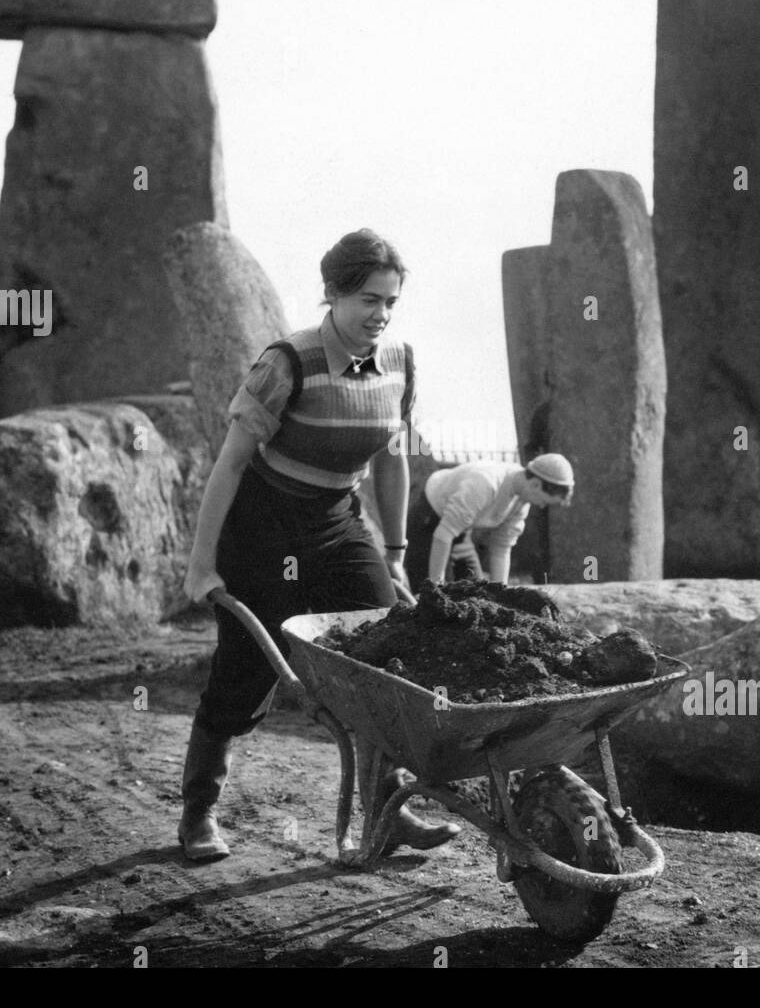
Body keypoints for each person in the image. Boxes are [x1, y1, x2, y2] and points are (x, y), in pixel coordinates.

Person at [178, 228, 460, 862]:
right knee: (247, 674)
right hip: (263, 526)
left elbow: (392, 457)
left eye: (390, 301)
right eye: (367, 300)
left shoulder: (400, 364)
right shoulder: (286, 364)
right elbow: (228, 467)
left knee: (385, 656)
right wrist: (202, 565)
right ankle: (198, 813)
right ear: (331, 294)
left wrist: (394, 551)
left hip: (338, 524)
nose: (380, 315)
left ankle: (389, 809)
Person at [403, 453, 574, 591]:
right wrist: (435, 587)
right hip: (429, 521)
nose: (541, 505)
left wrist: (501, 595)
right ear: (535, 484)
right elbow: (443, 535)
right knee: (431, 596)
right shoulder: (485, 483)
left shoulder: (522, 501)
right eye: (544, 501)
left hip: (461, 531)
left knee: (478, 593)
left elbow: (501, 548)